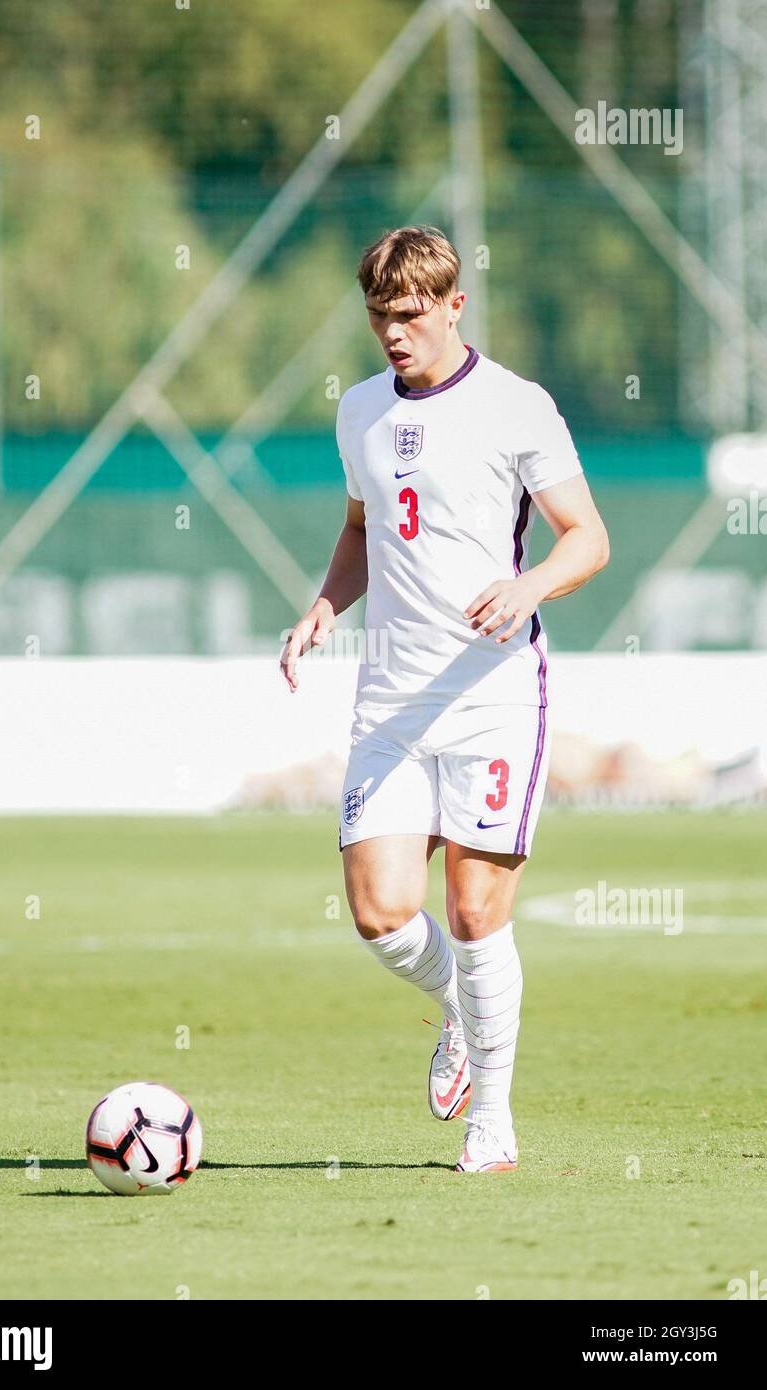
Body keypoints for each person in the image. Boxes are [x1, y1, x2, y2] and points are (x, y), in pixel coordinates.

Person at [279, 226, 609, 1173]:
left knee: (472, 915)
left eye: (412, 314)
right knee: (381, 912)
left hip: (492, 698)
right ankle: (463, 1013)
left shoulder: (517, 407)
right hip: (390, 697)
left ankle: (493, 1128)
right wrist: (323, 606)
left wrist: (530, 586)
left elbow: (586, 538)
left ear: (454, 305)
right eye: (381, 316)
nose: (394, 333)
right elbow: (360, 528)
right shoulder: (359, 412)